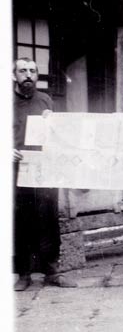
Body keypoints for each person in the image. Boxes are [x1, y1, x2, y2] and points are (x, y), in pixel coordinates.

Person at [13, 58, 77, 291]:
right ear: (14, 75)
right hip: (16, 171)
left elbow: (57, 134)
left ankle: (52, 271)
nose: (28, 75)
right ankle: (24, 274)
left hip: (44, 169)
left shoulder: (45, 100)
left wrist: (54, 123)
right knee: (21, 220)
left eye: (32, 71)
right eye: (23, 71)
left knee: (48, 219)